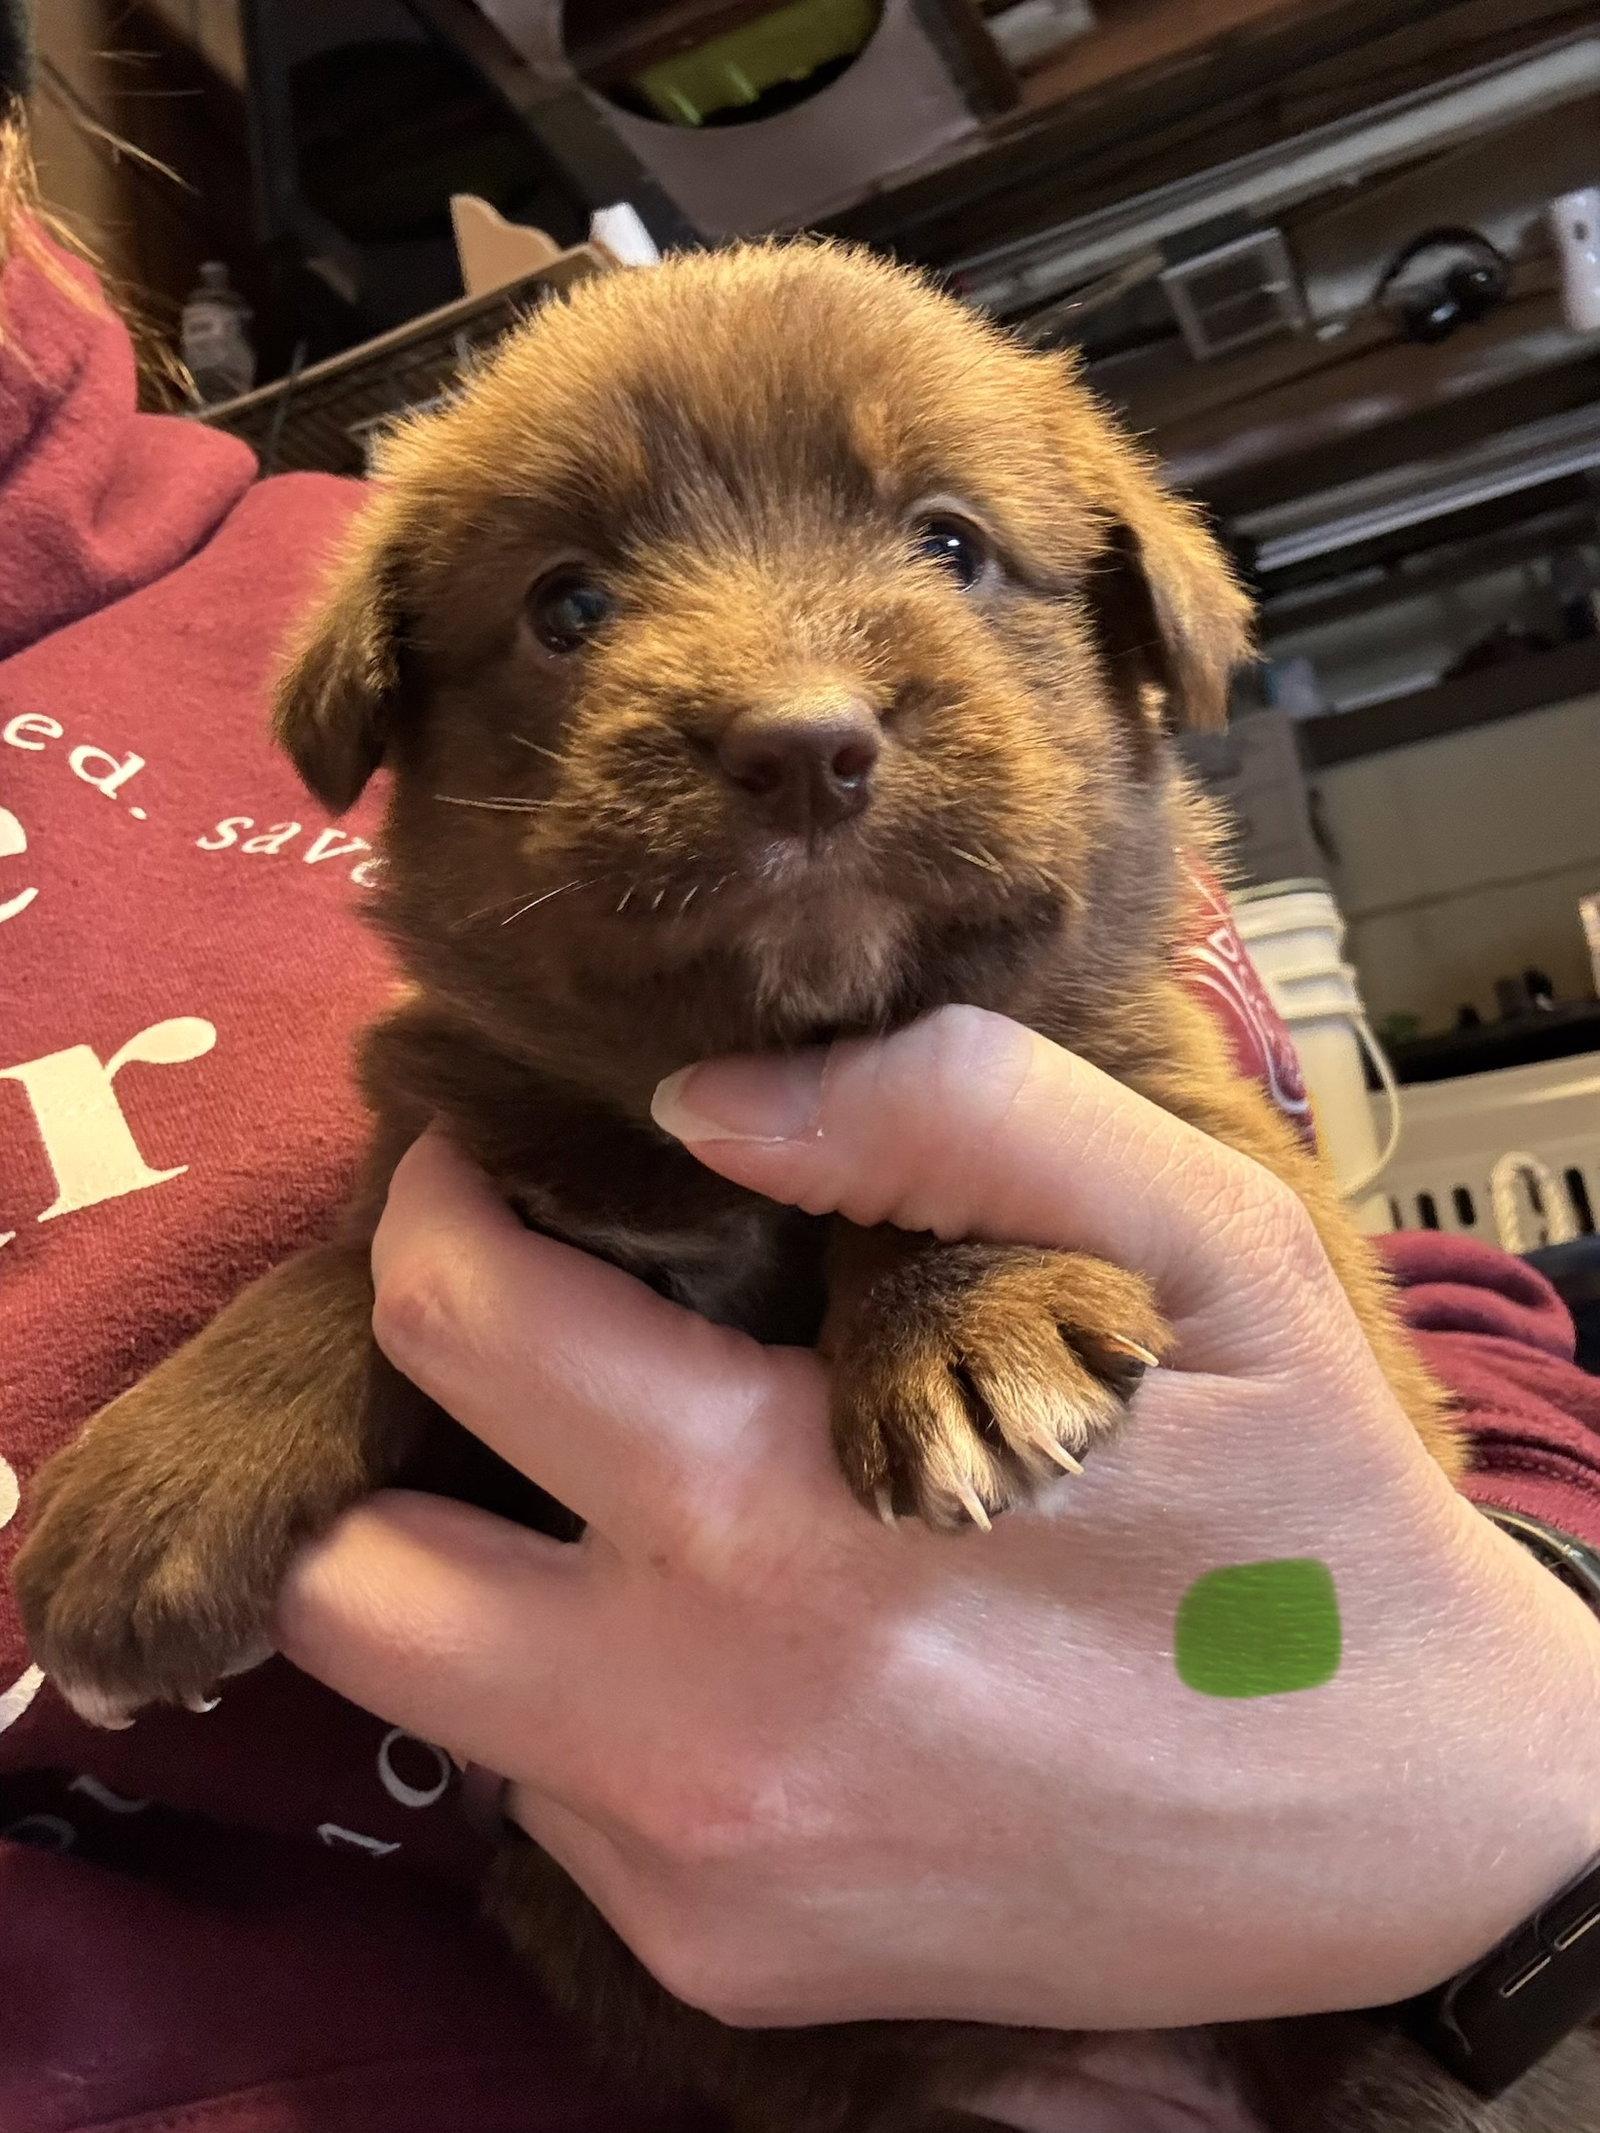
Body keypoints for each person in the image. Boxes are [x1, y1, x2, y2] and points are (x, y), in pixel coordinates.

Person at [2, 45, 1598, 2133]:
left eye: (948, 542)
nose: (792, 694)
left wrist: (1532, 1731)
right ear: (402, 745)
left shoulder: (1123, 1049)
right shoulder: (466, 1104)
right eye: (575, 606)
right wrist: (319, 1341)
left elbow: (1373, 1341)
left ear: (1136, 647)